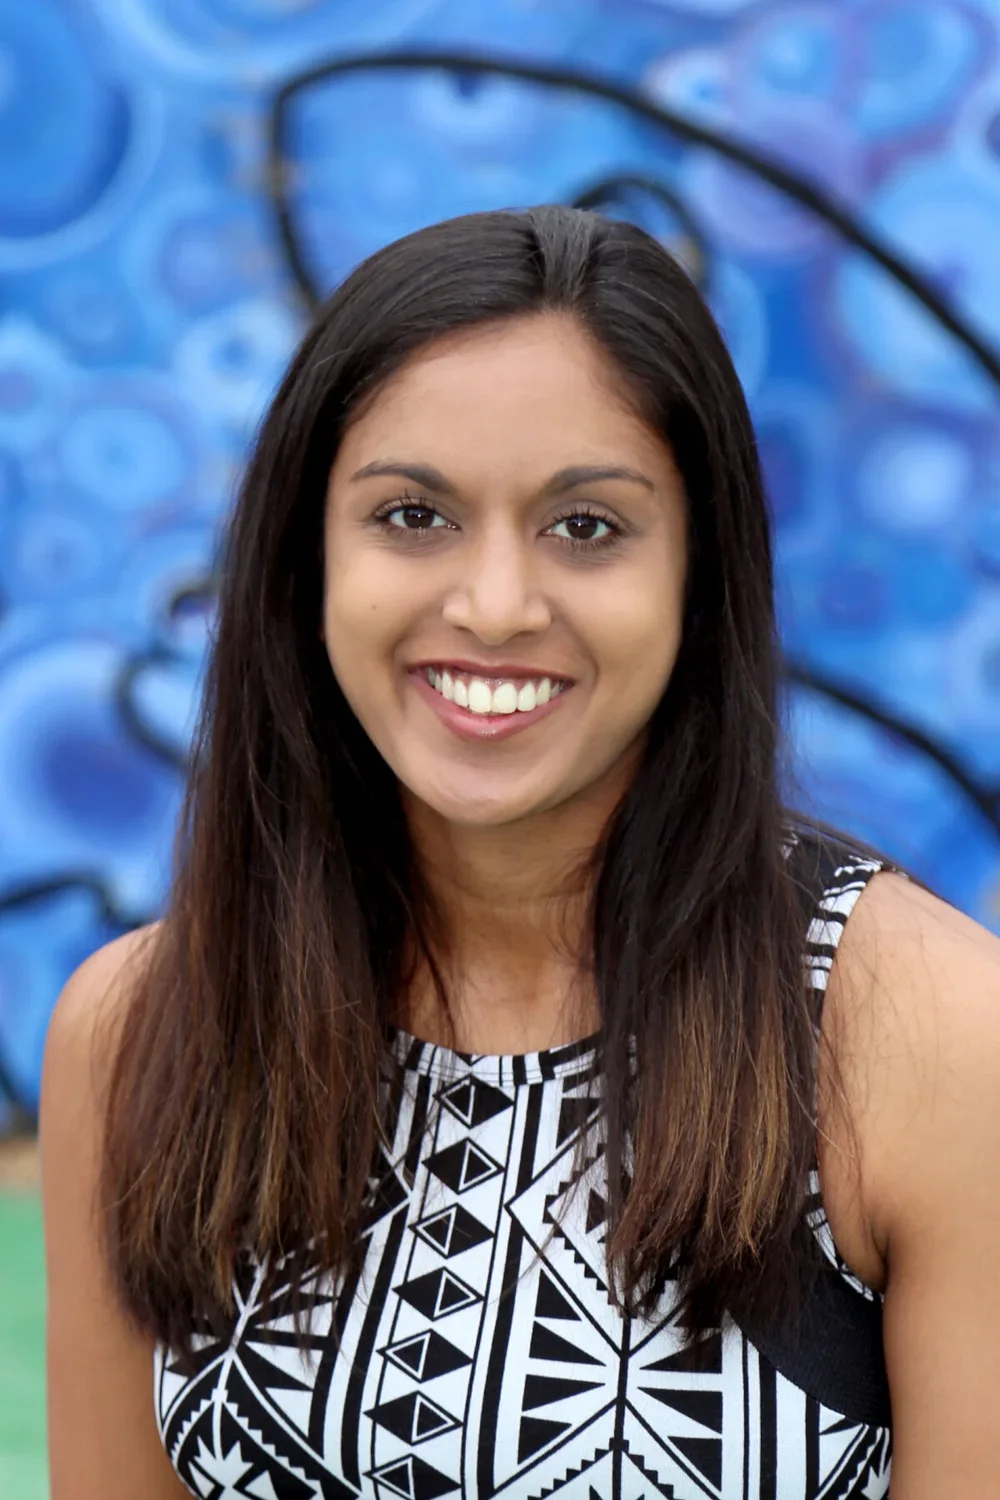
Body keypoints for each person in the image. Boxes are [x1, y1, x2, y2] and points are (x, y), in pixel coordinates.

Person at [40, 205, 1000, 1500]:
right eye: (413, 515)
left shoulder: (930, 1035)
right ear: (304, 559)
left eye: (588, 527)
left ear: (698, 577)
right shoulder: (140, 1028)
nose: (494, 606)